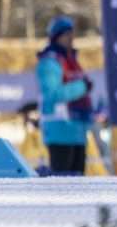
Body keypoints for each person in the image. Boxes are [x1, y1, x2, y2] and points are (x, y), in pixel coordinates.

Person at [35, 15, 93, 176]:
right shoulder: (50, 62)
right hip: (59, 130)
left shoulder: (70, 59)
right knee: (62, 185)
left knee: (78, 184)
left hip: (77, 130)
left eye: (72, 33)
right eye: (66, 34)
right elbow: (53, 94)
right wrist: (82, 86)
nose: (71, 37)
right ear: (57, 37)